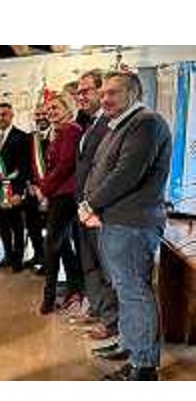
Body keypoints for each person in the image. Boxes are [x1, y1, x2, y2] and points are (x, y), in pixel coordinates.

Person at [81, 72, 172, 381]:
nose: (105, 98)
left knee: (134, 292)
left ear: (133, 93)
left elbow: (125, 175)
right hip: (118, 221)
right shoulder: (121, 123)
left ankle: (143, 366)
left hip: (132, 224)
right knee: (125, 289)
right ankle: (129, 343)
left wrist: (90, 204)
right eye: (103, 93)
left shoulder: (146, 122)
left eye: (113, 93)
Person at [73, 70, 119, 341]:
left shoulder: (110, 124)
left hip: (99, 209)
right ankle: (99, 310)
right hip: (83, 206)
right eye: (78, 92)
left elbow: (109, 171)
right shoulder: (91, 123)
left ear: (101, 92)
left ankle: (111, 320)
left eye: (86, 91)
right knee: (89, 264)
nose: (80, 96)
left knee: (105, 267)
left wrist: (95, 205)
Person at [36, 93, 84, 315]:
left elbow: (65, 165)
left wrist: (44, 189)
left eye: (55, 108)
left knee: (51, 247)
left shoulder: (71, 130)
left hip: (65, 195)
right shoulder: (62, 131)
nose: (50, 112)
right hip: (60, 193)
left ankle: (49, 298)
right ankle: (75, 288)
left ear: (68, 108)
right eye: (49, 109)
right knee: (62, 244)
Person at [0, 103, 29, 273]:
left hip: (13, 190)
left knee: (16, 226)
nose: (0, 118)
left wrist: (19, 192)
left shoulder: (22, 137)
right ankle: (8, 256)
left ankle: (18, 259)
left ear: (11, 116)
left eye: (4, 114)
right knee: (2, 226)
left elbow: (24, 167)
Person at [24, 103, 51, 275]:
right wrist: (30, 184)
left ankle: (49, 262)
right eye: (38, 115)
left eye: (44, 114)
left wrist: (46, 189)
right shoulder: (30, 138)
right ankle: (38, 255)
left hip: (51, 190)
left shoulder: (56, 135)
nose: (40, 117)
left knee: (50, 228)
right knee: (32, 225)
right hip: (32, 189)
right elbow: (25, 163)